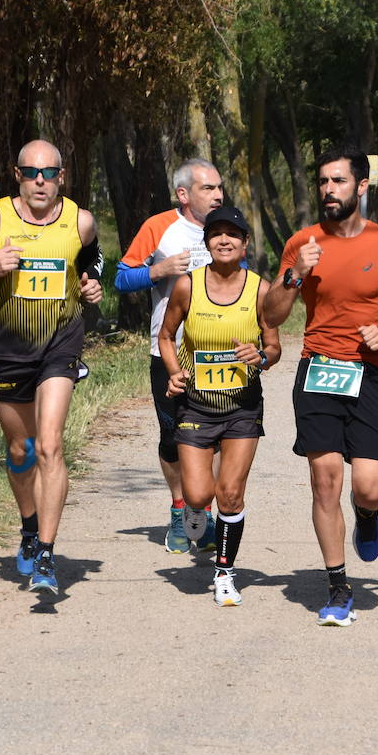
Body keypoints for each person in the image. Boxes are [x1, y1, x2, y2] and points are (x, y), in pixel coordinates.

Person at [263, 146, 378, 626]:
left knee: (370, 487)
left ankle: (367, 515)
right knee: (324, 480)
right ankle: (337, 585)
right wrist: (296, 275)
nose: (328, 190)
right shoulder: (302, 243)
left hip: (369, 372)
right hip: (318, 369)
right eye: (322, 182)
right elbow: (271, 315)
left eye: (338, 181)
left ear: (361, 186)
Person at [0, 139, 104, 595]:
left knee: (51, 444)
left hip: (61, 347)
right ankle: (29, 529)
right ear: (17, 175)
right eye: (31, 172)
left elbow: (93, 264)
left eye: (48, 173)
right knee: (21, 450)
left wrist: (92, 288)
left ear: (61, 176)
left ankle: (47, 555)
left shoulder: (80, 221)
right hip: (11, 351)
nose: (40, 181)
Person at [158, 205, 281, 606]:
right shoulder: (187, 287)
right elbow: (166, 336)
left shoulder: (261, 290)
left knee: (229, 494)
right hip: (195, 406)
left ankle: (225, 572)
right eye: (216, 234)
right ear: (206, 242)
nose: (224, 240)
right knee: (198, 493)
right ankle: (195, 511)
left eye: (233, 234)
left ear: (245, 242)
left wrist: (260, 357)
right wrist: (175, 372)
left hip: (242, 407)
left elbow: (274, 346)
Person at [116, 159, 225, 554]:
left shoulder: (227, 226)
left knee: (215, 439)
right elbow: (121, 278)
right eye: (208, 189)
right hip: (167, 351)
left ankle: (204, 512)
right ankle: (181, 510)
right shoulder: (159, 227)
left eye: (218, 188)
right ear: (184, 194)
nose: (217, 195)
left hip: (220, 354)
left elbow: (245, 277)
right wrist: (158, 269)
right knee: (172, 437)